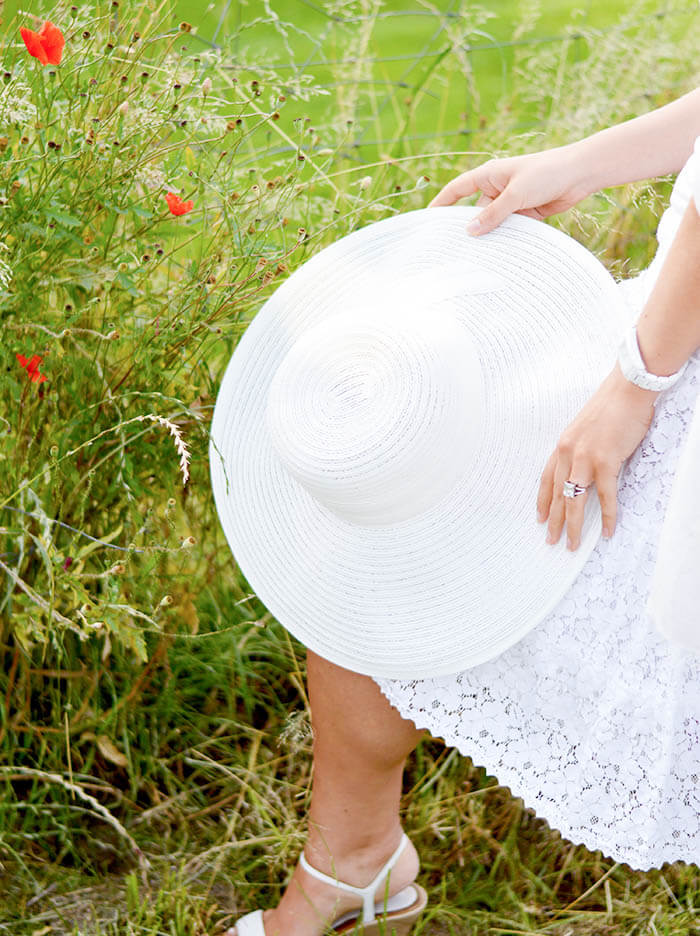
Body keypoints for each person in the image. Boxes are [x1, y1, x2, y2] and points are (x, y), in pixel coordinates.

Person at [228, 87, 700, 936]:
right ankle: (356, 866)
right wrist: (579, 164)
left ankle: (354, 868)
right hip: (674, 324)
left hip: (672, 350)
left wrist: (637, 386)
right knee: (385, 500)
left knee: (402, 518)